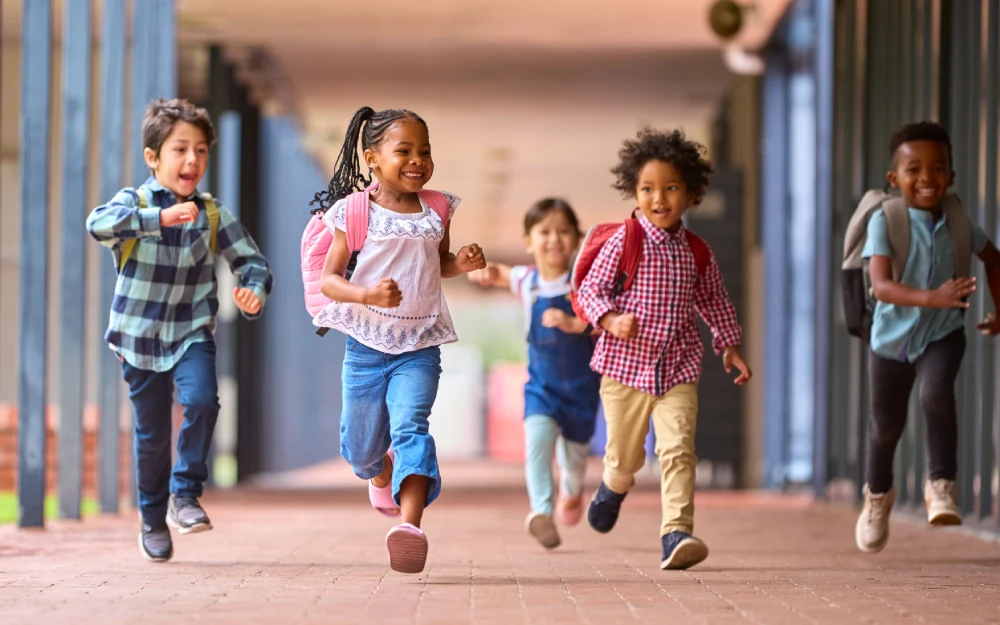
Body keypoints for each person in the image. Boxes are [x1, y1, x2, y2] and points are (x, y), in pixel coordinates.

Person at [87, 98, 273, 562]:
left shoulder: (212, 214)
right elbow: (97, 224)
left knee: (202, 400)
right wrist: (158, 220)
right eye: (180, 149)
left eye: (202, 151)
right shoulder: (135, 203)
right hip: (138, 337)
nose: (193, 160)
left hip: (191, 331)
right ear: (153, 157)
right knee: (152, 435)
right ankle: (152, 521)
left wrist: (253, 292)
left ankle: (184, 495)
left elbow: (253, 264)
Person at [312, 106, 486, 574]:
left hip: (419, 345)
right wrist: (366, 293)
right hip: (366, 346)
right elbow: (330, 280)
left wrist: (462, 264)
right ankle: (378, 472)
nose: (417, 160)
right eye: (403, 150)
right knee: (361, 449)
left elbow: (439, 263)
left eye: (425, 151)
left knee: (412, 426)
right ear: (371, 157)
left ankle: (410, 527)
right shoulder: (354, 212)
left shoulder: (438, 208)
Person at [577, 128, 751, 570]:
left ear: (690, 194)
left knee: (677, 449)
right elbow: (593, 289)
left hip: (678, 367)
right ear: (634, 193)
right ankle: (613, 486)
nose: (659, 198)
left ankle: (676, 532)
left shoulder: (697, 250)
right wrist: (612, 319)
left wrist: (728, 344)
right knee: (626, 457)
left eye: (671, 188)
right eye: (648, 189)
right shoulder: (625, 240)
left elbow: (713, 299)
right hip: (624, 370)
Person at [855, 121, 1000, 553]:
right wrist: (932, 297)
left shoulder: (959, 223)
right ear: (894, 178)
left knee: (936, 394)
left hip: (943, 334)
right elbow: (881, 286)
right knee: (886, 428)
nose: (926, 179)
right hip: (890, 341)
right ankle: (877, 497)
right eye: (913, 169)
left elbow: (993, 258)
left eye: (937, 169)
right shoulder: (887, 221)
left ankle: (941, 486)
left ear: (951, 176)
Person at [468, 198, 601, 550]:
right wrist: (481, 271)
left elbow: (604, 322)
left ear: (575, 239)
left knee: (573, 460)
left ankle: (571, 492)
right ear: (529, 241)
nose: (553, 239)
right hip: (542, 387)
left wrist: (575, 324)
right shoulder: (527, 280)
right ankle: (541, 512)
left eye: (563, 231)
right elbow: (497, 272)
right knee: (537, 443)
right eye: (544, 232)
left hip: (582, 390)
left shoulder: (584, 284)